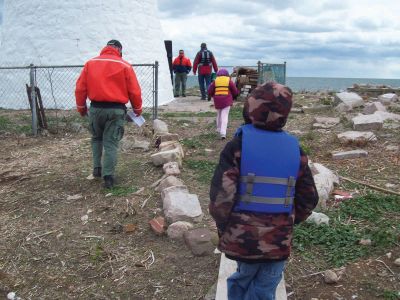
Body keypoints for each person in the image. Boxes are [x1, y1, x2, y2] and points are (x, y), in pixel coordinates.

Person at [209, 82, 318, 299]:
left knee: (242, 278)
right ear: (285, 112)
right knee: (266, 287)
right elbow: (309, 199)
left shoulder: (237, 146)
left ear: (250, 107)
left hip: (242, 238)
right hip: (278, 241)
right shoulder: (295, 150)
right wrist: (287, 222)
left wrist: (225, 227)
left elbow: (221, 197)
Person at [75, 40, 142, 189]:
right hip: (116, 110)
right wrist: (137, 110)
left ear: (105, 48)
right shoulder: (125, 65)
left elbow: (80, 88)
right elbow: (134, 91)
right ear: (119, 50)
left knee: (96, 138)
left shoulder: (90, 64)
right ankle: (108, 177)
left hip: (95, 109)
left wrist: (81, 108)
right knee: (111, 143)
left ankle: (96, 168)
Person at [207, 68, 238, 140]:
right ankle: (223, 133)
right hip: (227, 100)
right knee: (224, 116)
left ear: (218, 74)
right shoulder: (229, 81)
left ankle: (218, 128)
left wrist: (213, 96)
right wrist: (234, 96)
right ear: (227, 74)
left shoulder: (215, 81)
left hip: (217, 100)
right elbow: (235, 91)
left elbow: (209, 91)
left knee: (219, 114)